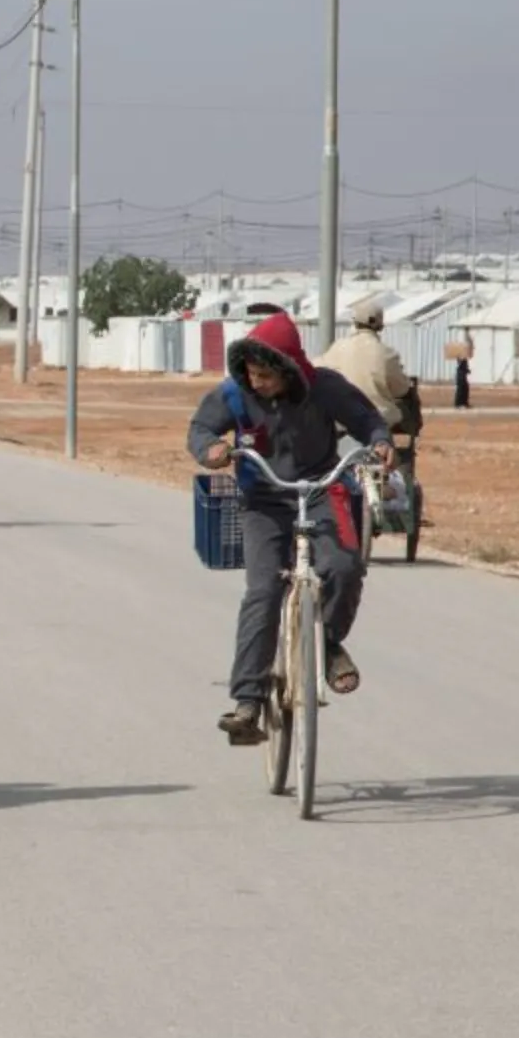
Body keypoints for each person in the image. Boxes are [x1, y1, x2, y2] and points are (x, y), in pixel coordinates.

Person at [186, 312, 393, 747]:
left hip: (323, 489)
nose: (255, 381)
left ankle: (329, 642)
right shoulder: (236, 393)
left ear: (288, 370)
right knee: (263, 591)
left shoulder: (325, 388)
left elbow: (368, 420)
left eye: (264, 375)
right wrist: (212, 448)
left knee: (345, 566)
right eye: (250, 373)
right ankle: (248, 700)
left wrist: (380, 443)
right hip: (264, 499)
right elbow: (201, 427)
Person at [316, 297, 416, 433]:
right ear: (380, 325)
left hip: (342, 417)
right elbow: (402, 390)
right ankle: (405, 449)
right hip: (377, 419)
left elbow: (316, 369)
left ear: (355, 322)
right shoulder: (386, 354)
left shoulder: (338, 348)